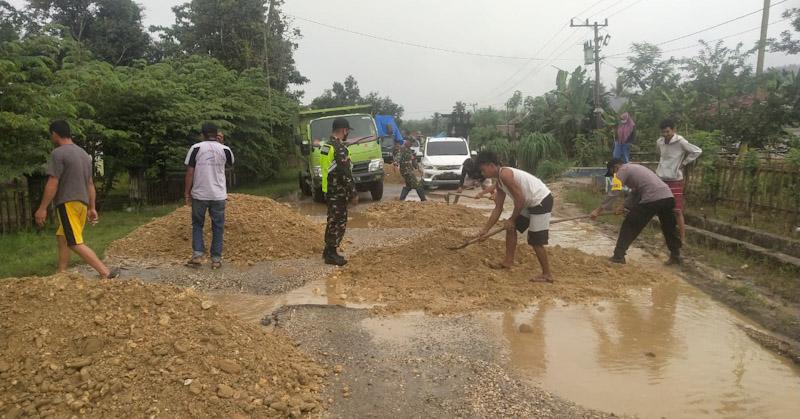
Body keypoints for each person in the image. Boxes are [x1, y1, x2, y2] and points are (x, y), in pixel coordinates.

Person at [34, 120, 120, 278]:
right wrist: (92, 207)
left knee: (74, 242)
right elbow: (90, 184)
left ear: (55, 134)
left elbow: (53, 181)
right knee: (62, 236)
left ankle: (105, 273)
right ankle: (62, 274)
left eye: (50, 135)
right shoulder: (84, 155)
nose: (51, 138)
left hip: (68, 203)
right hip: (82, 204)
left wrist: (42, 208)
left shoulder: (58, 153)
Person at [475, 151, 555, 282]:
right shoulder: (499, 182)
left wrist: (512, 219)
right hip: (529, 203)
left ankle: (547, 274)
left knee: (535, 240)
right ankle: (508, 262)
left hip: (541, 201)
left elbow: (520, 199)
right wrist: (485, 230)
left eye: (483, 170)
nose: (482, 173)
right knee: (510, 229)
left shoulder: (505, 175)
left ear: (491, 165)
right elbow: (498, 208)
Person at [591, 159, 682, 265]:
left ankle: (618, 256)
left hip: (652, 198)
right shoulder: (636, 168)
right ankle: (676, 255)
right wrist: (624, 206)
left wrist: (598, 210)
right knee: (669, 228)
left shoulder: (622, 170)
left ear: (616, 167)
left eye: (612, 173)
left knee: (630, 224)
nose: (614, 176)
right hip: (668, 197)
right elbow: (636, 192)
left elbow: (614, 192)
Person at [184, 122, 234, 269]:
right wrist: (222, 144)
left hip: (200, 194)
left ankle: (197, 256)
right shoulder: (225, 149)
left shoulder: (196, 148)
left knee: (197, 224)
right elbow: (230, 164)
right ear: (217, 133)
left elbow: (190, 172)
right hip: (218, 195)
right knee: (218, 227)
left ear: (203, 134)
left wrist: (186, 193)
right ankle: (216, 260)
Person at [655, 119, 702, 243]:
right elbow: (660, 155)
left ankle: (682, 237)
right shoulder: (660, 142)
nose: (665, 134)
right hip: (661, 178)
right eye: (663, 132)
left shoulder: (681, 141)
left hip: (675, 179)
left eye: (668, 131)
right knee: (662, 209)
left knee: (677, 210)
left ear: (673, 130)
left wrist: (684, 163)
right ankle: (665, 233)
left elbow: (697, 151)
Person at [320, 117, 358, 266]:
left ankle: (327, 251)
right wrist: (353, 192)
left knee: (332, 220)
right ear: (343, 130)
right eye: (347, 130)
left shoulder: (326, 146)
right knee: (338, 222)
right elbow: (345, 173)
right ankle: (331, 254)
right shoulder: (339, 148)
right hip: (338, 191)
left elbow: (328, 168)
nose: (347, 133)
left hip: (329, 189)